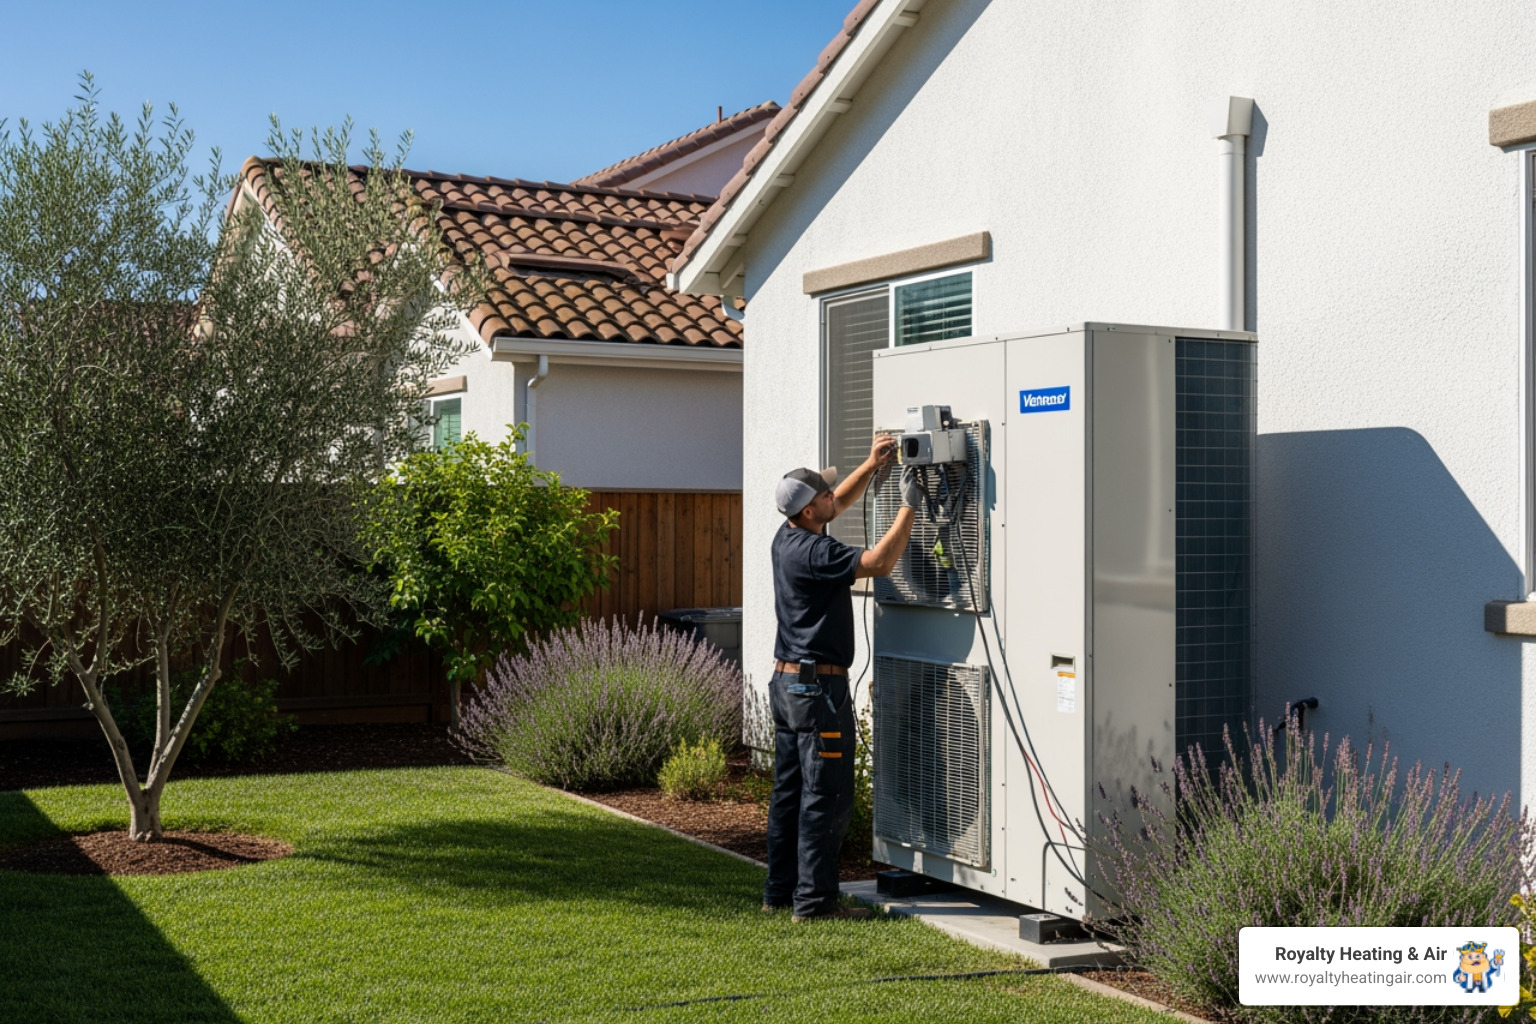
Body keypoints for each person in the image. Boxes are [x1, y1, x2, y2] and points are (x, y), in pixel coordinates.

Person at [763, 435, 921, 922]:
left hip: (788, 687)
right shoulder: (814, 554)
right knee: (825, 795)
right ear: (810, 511)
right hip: (817, 694)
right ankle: (814, 904)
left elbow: (839, 501)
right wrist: (909, 508)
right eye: (826, 496)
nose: (835, 497)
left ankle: (780, 894)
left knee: (790, 794)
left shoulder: (788, 536)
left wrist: (871, 466)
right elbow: (879, 563)